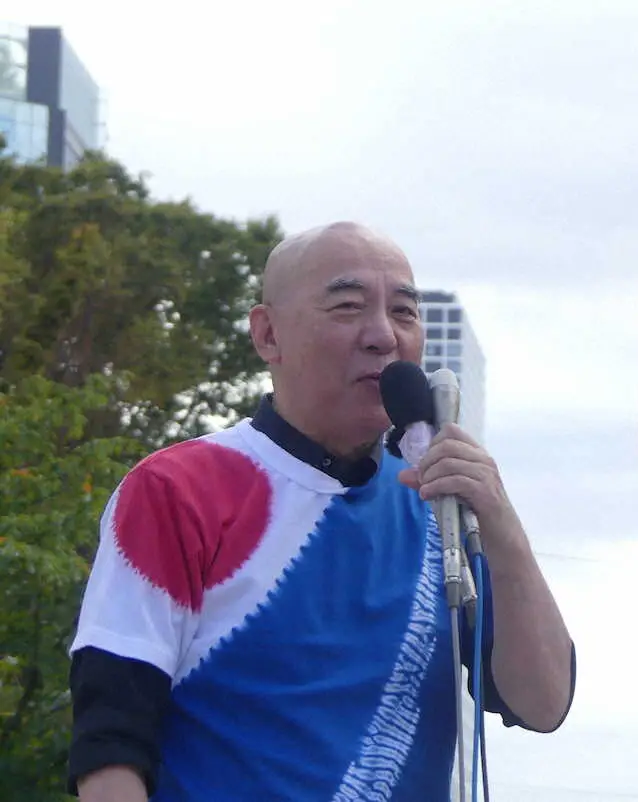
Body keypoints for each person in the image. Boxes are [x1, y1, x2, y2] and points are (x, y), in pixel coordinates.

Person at [67, 221, 576, 802]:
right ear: (268, 334)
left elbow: (543, 703)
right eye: (348, 306)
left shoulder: (442, 504)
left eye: (405, 313)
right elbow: (109, 743)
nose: (383, 336)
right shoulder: (175, 489)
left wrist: (503, 526)